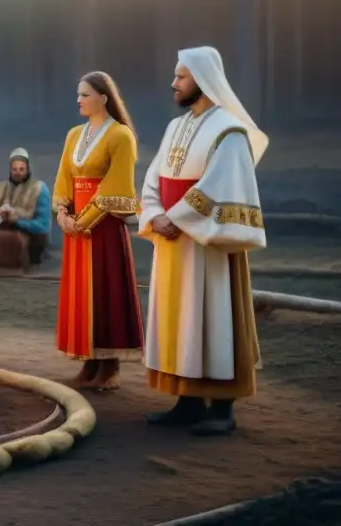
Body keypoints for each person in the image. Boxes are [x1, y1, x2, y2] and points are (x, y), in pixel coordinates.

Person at [139, 46, 266, 436]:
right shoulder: (175, 127)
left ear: (202, 79)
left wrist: (174, 218)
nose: (173, 83)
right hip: (173, 240)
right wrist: (154, 213)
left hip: (206, 244)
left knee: (213, 315)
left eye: (181, 76)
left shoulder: (228, 129)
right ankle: (188, 400)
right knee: (179, 317)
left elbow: (220, 184)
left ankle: (222, 407)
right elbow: (153, 176)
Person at [52, 71, 144, 391]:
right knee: (82, 293)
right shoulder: (73, 134)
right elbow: (65, 176)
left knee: (106, 291)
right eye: (78, 94)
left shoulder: (121, 136)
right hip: (76, 225)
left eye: (85, 94)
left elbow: (116, 184)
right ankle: (88, 361)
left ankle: (110, 366)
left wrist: (84, 221)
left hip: (103, 227)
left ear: (104, 98)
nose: (79, 99)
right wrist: (63, 214)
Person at [0, 147, 52, 269]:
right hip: (0, 235)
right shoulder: (1, 188)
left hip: (30, 242)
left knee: (11, 242)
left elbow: (43, 226)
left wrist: (17, 222)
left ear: (28, 168)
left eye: (21, 169)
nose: (18, 172)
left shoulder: (39, 189)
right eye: (14, 169)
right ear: (10, 170)